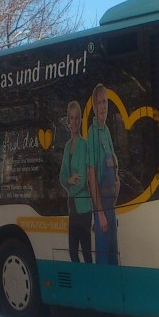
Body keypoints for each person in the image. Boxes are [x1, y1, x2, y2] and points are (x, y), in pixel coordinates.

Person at [87, 84, 120, 265]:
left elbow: (113, 162)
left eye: (105, 102)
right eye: (99, 102)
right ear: (94, 106)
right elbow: (92, 176)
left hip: (111, 205)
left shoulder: (106, 131)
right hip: (101, 207)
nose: (103, 106)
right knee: (103, 258)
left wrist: (117, 179)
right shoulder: (92, 134)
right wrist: (99, 213)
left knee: (113, 254)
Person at [58, 100, 92, 263]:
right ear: (68, 121)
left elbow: (84, 179)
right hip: (72, 209)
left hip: (84, 207)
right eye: (71, 118)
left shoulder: (85, 145)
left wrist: (70, 189)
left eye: (77, 118)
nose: (74, 122)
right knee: (72, 252)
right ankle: (82, 282)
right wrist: (69, 180)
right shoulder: (66, 147)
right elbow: (62, 175)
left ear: (80, 120)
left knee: (86, 252)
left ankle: (90, 283)